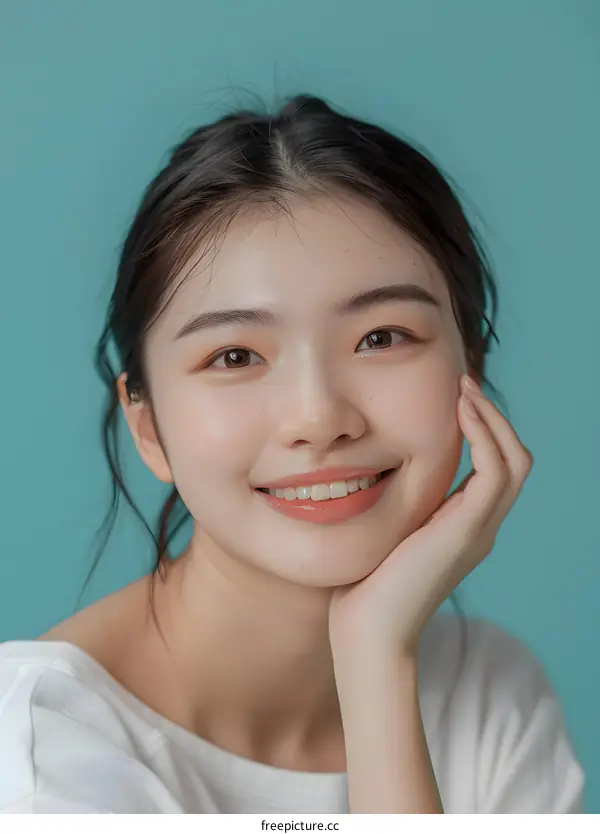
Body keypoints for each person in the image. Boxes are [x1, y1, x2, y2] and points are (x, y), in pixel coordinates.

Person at [0, 95, 584, 814]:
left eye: (382, 337)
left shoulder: (490, 696)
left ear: (474, 368)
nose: (318, 418)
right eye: (235, 354)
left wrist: (374, 661)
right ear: (147, 427)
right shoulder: (37, 755)